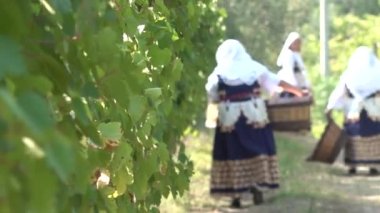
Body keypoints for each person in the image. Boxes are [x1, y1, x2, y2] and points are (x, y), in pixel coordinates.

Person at [205, 39, 305, 208]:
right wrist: (297, 91)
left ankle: (236, 196)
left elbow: (213, 96)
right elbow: (275, 82)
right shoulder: (254, 68)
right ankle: (257, 185)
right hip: (255, 116)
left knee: (233, 152)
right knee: (257, 148)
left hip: (230, 119)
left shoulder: (217, 75)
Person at [325, 46, 380, 175]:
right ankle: (373, 165)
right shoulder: (378, 72)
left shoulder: (349, 74)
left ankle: (353, 165)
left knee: (353, 136)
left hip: (353, 112)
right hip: (373, 112)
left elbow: (339, 92)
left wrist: (330, 107)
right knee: (372, 133)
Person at [276, 32, 310, 97]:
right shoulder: (289, 55)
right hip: (291, 89)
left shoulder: (296, 55)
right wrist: (297, 89)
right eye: (296, 43)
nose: (297, 45)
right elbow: (290, 72)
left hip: (300, 87)